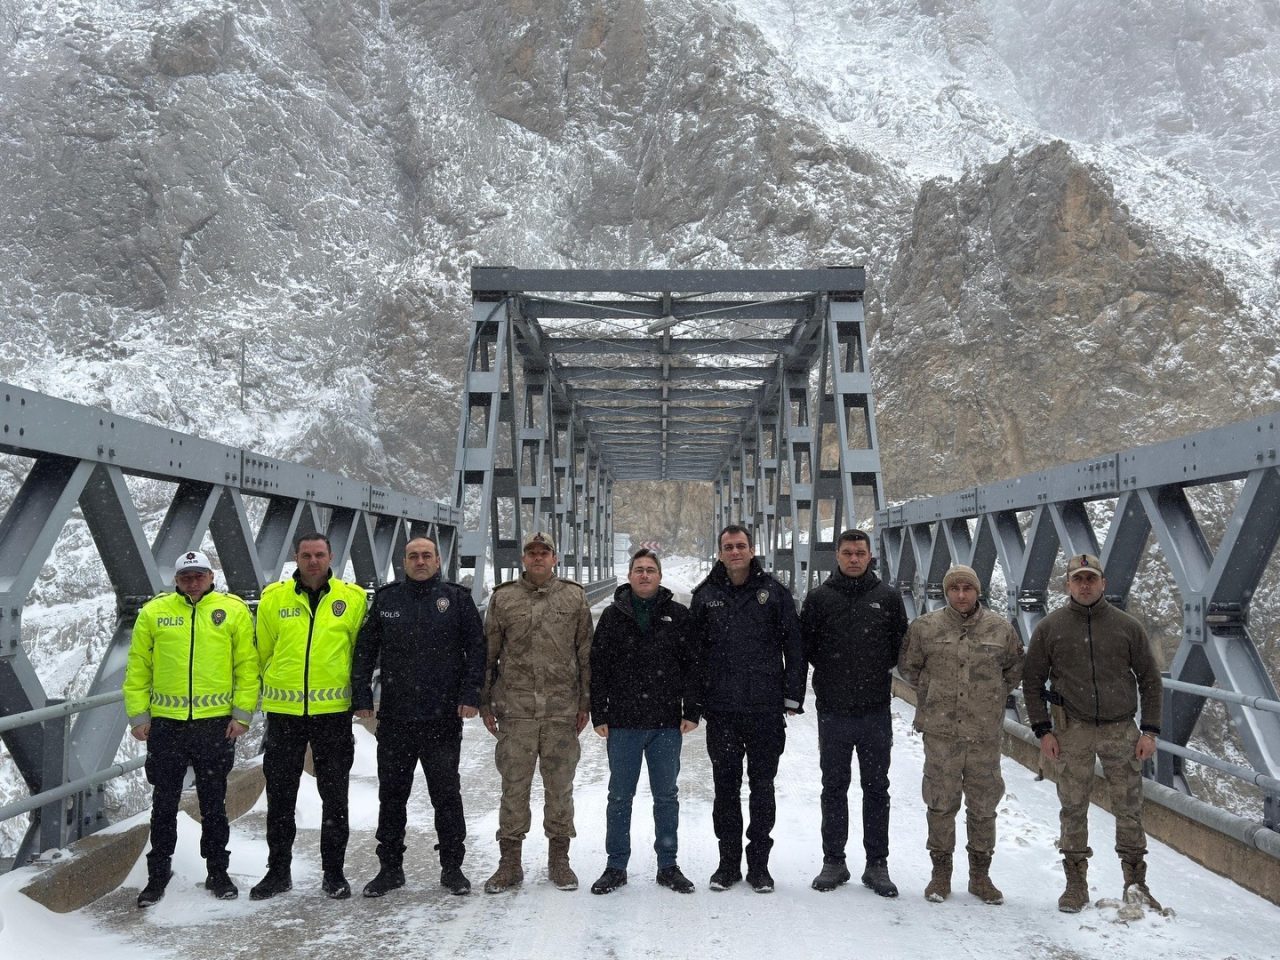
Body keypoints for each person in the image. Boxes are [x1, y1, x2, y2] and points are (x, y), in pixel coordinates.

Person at [1023, 553, 1164, 913]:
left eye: (1091, 578)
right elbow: (1032, 681)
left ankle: (1136, 884)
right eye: (1078, 579)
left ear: (1103, 583)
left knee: (1129, 807)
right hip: (1072, 729)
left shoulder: (1127, 627)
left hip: (1122, 730)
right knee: (1072, 807)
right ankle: (1075, 885)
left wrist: (1149, 731)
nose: (1085, 585)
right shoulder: (1050, 628)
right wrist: (1043, 730)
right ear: (1068, 584)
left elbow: (1150, 680)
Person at [352, 536, 485, 898]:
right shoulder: (387, 600)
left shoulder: (456, 599)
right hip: (396, 718)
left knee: (446, 795)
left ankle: (452, 868)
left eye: (427, 555)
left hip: (442, 718)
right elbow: (365, 650)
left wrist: (471, 695)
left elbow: (477, 650)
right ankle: (390, 868)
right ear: (404, 562)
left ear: (438, 561)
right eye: (413, 556)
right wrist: (361, 695)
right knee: (392, 796)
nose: (420, 561)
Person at [123, 550, 257, 907]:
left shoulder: (232, 610)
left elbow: (247, 666)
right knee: (163, 803)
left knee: (213, 803)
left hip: (215, 725)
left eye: (199, 576)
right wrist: (139, 716)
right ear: (176, 580)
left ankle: (217, 871)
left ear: (211, 577)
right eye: (186, 577)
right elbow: (138, 667)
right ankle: (157, 874)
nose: (193, 582)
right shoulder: (155, 612)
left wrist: (242, 715)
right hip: (167, 726)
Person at [250, 532, 368, 901]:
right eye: (306, 555)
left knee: (335, 798)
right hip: (284, 714)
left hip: (332, 714)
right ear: (296, 558)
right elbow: (262, 651)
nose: (313, 561)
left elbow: (359, 655)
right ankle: (277, 872)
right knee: (280, 797)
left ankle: (333, 874)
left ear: (331, 557)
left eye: (319, 554)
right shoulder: (274, 598)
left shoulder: (353, 599)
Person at [898, 564, 1024, 904]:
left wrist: (989, 698)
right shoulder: (925, 628)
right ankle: (940, 875)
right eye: (954, 588)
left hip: (984, 734)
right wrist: (935, 693)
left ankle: (980, 876)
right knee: (940, 803)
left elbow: (1014, 671)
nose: (961, 594)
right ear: (946, 592)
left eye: (968, 588)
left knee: (983, 805)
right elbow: (909, 667)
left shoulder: (1000, 629)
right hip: (941, 733)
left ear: (977, 591)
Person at [690, 523, 804, 893]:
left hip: (764, 708)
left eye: (741, 546)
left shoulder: (774, 593)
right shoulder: (706, 596)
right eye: (728, 547)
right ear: (720, 552)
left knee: (762, 787)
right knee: (725, 788)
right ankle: (727, 864)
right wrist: (695, 703)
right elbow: (694, 655)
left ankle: (759, 866)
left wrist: (793, 696)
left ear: (751, 550)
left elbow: (795, 647)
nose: (735, 552)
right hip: (722, 709)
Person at [480, 531, 593, 893]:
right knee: (514, 788)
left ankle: (559, 860)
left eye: (545, 553)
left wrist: (586, 702)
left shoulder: (574, 597)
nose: (538, 558)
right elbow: (488, 655)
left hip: (561, 710)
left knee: (560, 788)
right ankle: (509, 863)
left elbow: (585, 654)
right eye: (532, 553)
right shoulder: (504, 598)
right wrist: (484, 701)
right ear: (524, 559)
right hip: (517, 711)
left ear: (555, 558)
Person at [801, 529, 908, 898]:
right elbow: (807, 647)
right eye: (847, 553)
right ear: (837, 555)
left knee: (877, 787)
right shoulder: (819, 599)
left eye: (860, 553)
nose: (854, 559)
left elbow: (899, 645)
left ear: (870, 556)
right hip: (833, 710)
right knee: (834, 787)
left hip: (875, 710)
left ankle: (877, 864)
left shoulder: (887, 598)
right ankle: (834, 861)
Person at [588, 549, 701, 896]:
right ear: (629, 575)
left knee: (666, 796)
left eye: (651, 570)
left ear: (660, 576)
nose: (645, 575)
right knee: (620, 797)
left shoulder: (677, 615)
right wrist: (599, 712)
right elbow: (598, 666)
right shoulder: (613, 616)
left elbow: (692, 665)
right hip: (623, 723)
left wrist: (692, 710)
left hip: (665, 723)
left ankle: (668, 866)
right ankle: (615, 866)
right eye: (639, 569)